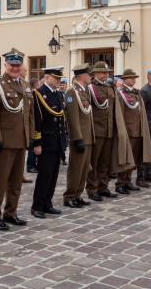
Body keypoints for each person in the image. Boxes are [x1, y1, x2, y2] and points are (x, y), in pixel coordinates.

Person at [0, 48, 34, 231]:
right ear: (5, 65)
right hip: (4, 142)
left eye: (18, 65)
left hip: (20, 140)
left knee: (15, 181)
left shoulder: (25, 85)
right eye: (12, 65)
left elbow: (29, 115)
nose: (15, 68)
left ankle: (11, 212)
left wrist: (31, 137)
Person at [30, 67, 68, 218]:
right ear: (47, 77)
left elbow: (61, 118)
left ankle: (48, 203)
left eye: (60, 78)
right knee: (44, 175)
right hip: (45, 141)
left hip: (57, 140)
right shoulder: (39, 94)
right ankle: (37, 206)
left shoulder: (58, 94)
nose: (59, 81)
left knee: (53, 174)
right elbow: (37, 121)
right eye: (56, 78)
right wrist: (37, 143)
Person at [116, 69, 151, 191]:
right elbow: (120, 113)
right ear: (124, 79)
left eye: (134, 78)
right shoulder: (121, 93)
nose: (133, 80)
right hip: (128, 131)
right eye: (130, 78)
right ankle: (120, 183)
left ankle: (128, 181)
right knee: (126, 158)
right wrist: (122, 131)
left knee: (135, 159)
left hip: (138, 130)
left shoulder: (136, 93)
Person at [63, 64, 94, 208]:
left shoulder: (85, 90)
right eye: (89, 74)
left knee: (84, 169)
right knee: (76, 168)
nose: (90, 77)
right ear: (82, 76)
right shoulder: (72, 92)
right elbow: (73, 117)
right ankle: (70, 196)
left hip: (88, 136)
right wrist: (77, 138)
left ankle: (78, 194)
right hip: (80, 137)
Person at [86, 61, 117, 201]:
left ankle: (103, 187)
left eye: (107, 72)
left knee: (105, 162)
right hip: (97, 129)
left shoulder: (110, 87)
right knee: (95, 161)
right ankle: (92, 190)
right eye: (103, 72)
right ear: (95, 74)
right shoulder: (91, 88)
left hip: (109, 129)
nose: (106, 75)